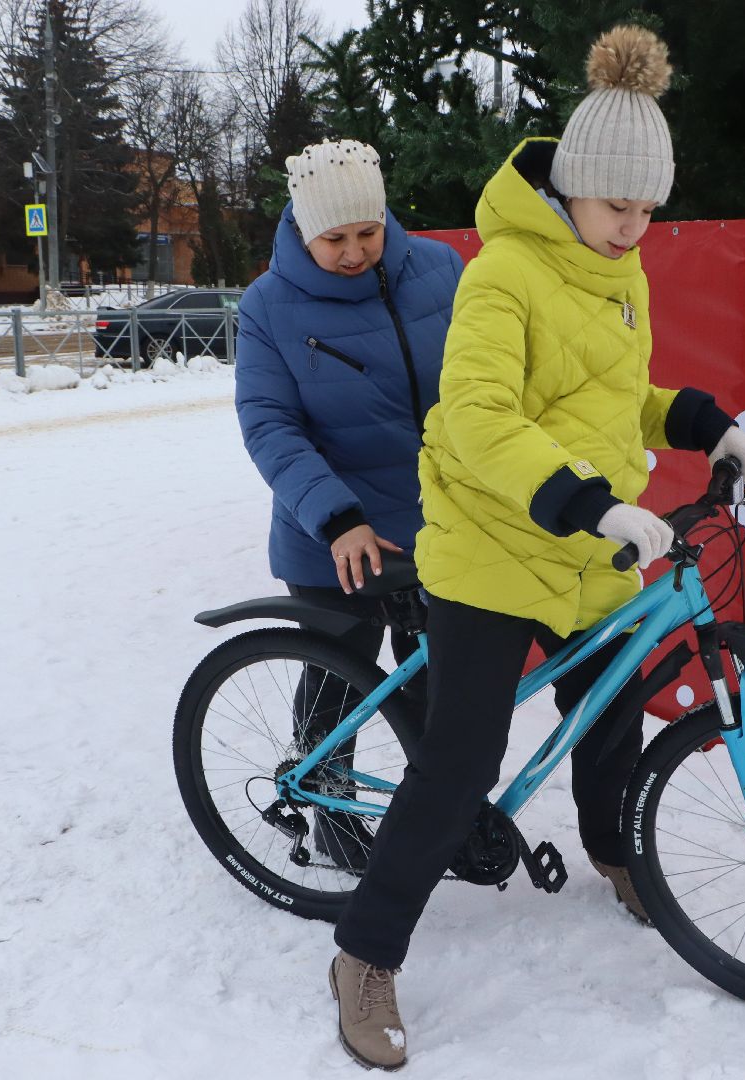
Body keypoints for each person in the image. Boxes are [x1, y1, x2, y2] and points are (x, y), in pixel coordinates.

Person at [325, 27, 745, 1069]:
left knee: (612, 717)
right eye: (621, 206)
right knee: (461, 760)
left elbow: (615, 401)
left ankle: (617, 856)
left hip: (580, 550)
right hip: (493, 542)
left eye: (651, 209)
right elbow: (480, 419)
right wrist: (588, 503)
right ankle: (366, 954)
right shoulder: (504, 278)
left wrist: (706, 424)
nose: (636, 227)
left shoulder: (618, 275)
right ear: (572, 188)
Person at [234, 139, 463, 869]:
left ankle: (438, 819)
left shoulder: (440, 270)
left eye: (367, 230)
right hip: (331, 532)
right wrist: (338, 517)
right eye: (335, 238)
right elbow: (270, 423)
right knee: (340, 677)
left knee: (437, 686)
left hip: (440, 530)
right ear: (303, 230)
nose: (356, 251)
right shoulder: (269, 304)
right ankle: (329, 813)